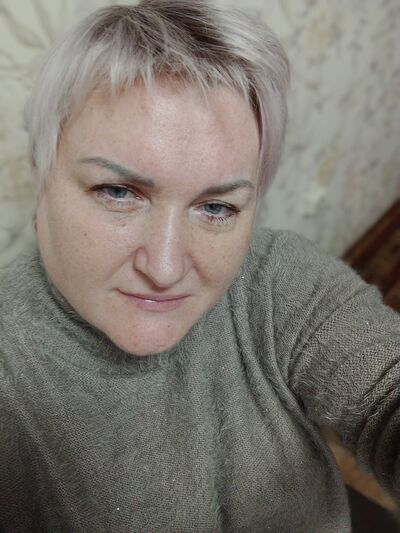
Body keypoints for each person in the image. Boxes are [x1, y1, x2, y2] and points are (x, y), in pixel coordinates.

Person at [0, 1, 398, 531]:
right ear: (42, 171)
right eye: (117, 192)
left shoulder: (277, 279)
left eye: (216, 207)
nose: (165, 268)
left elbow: (386, 395)